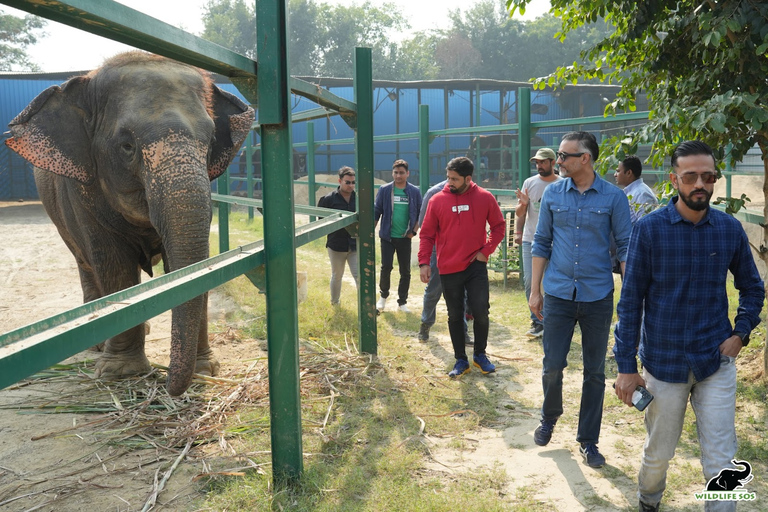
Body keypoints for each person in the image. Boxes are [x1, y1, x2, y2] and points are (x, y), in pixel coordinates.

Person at [613, 141, 764, 512]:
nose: (701, 184)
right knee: (659, 453)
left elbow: (752, 287)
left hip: (716, 361)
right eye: (691, 176)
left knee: (722, 457)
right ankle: (649, 500)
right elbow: (631, 302)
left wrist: (740, 334)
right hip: (664, 364)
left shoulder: (728, 229)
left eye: (708, 176)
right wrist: (626, 367)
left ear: (715, 179)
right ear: (674, 179)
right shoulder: (649, 231)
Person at [529, 131, 632, 468]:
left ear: (585, 158)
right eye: (558, 155)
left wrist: (629, 292)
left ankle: (589, 440)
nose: (558, 162)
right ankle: (549, 415)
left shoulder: (614, 198)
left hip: (597, 295)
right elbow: (541, 242)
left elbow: (626, 246)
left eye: (564, 156)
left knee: (594, 372)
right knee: (552, 365)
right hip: (558, 293)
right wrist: (535, 289)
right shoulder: (554, 194)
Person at [418, 157, 505, 377]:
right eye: (448, 178)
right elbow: (426, 234)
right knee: (454, 315)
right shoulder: (437, 200)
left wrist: (486, 251)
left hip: (475, 266)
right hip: (448, 267)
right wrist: (424, 262)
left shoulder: (484, 197)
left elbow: (498, 226)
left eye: (455, 179)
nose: (449, 183)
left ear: (468, 178)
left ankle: (480, 355)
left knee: (481, 311)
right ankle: (460, 360)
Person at [515, 147, 562, 339]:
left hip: (557, 242)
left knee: (552, 282)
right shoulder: (529, 183)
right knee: (530, 282)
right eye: (537, 162)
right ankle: (537, 321)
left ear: (552, 162)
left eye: (543, 162)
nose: (539, 165)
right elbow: (520, 213)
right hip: (531, 240)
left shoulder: (563, 184)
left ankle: (550, 320)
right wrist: (523, 205)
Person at [417, 179, 470, 345]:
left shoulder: (470, 192)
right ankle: (425, 324)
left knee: (462, 292)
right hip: (438, 250)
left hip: (462, 250)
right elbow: (423, 224)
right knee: (434, 289)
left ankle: (463, 332)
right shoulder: (434, 193)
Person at [374, 159, 422, 313]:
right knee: (386, 267)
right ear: (392, 173)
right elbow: (377, 211)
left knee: (405, 271)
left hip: (404, 237)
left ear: (407, 174)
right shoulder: (385, 189)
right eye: (396, 172)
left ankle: (402, 302)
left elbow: (420, 214)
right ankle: (382, 298)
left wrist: (413, 232)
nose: (398, 175)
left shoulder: (414, 191)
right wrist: (371, 231)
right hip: (387, 237)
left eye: (402, 172)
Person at [317, 166, 358, 305]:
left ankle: (366, 304)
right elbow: (321, 221)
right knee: (337, 275)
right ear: (339, 181)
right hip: (336, 245)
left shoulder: (359, 199)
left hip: (355, 244)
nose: (351, 185)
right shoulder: (328, 200)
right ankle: (335, 303)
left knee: (359, 276)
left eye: (353, 182)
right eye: (348, 182)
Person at [614, 155, 659, 225]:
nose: (615, 175)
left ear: (629, 173)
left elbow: (645, 226)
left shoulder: (641, 194)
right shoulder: (631, 192)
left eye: (618, 171)